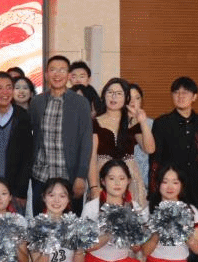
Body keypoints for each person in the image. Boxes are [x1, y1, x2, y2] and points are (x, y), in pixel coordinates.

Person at [28, 56, 94, 214]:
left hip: (70, 177)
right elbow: (31, 137)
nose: (57, 74)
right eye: (52, 70)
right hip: (41, 176)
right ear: (46, 75)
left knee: (71, 223)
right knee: (41, 223)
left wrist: (81, 176)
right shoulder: (37, 102)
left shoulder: (80, 103)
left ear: (69, 75)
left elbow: (86, 141)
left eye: (62, 70)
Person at [151, 76, 198, 210]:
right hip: (170, 189)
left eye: (185, 92)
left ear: (194, 97)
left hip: (197, 188)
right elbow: (155, 160)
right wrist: (154, 191)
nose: (180, 96)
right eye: (176, 92)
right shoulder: (161, 123)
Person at [89, 78, 154, 206]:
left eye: (119, 93)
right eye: (110, 92)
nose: (114, 97)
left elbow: (150, 149)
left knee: (131, 214)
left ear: (126, 98)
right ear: (104, 96)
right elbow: (91, 158)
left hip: (129, 178)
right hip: (104, 178)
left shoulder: (132, 122)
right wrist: (94, 187)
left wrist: (142, 121)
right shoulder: (95, 122)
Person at [0, 72, 33, 211]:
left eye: (9, 87)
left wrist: (21, 191)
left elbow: (27, 156)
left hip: (14, 191)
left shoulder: (22, 116)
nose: (5, 92)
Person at [127, 83, 153, 200]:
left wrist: (141, 122)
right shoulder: (114, 122)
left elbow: (149, 149)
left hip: (145, 183)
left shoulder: (150, 124)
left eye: (137, 98)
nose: (133, 102)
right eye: (129, 97)